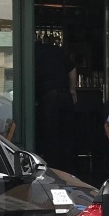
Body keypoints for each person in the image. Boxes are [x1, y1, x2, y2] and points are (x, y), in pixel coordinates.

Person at [34, 39, 78, 172]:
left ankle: (53, 170)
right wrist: (72, 90)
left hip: (48, 98)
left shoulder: (32, 53)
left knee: (50, 135)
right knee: (67, 134)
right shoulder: (56, 51)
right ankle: (68, 170)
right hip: (64, 96)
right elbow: (72, 69)